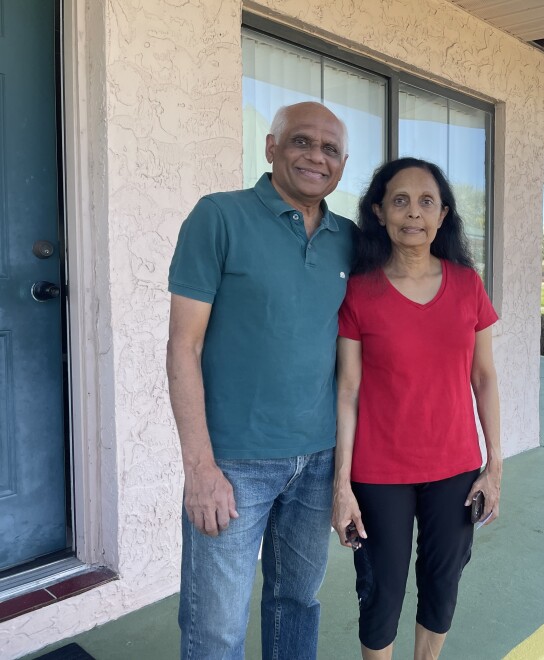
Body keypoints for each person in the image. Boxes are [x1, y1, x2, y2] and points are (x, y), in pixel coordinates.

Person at [166, 101, 355, 660]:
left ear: (343, 163)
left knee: (297, 606)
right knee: (216, 627)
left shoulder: (350, 239)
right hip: (233, 464)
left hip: (319, 460)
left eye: (330, 149)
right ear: (271, 147)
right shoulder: (218, 217)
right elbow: (183, 345)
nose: (315, 156)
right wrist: (199, 468)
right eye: (301, 141)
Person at [331, 157, 502, 659]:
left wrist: (494, 469)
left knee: (442, 582)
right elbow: (347, 390)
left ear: (443, 214)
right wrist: (342, 486)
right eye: (399, 201)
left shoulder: (468, 284)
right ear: (379, 212)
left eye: (426, 201)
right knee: (381, 591)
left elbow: (485, 377)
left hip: (455, 466)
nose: (413, 213)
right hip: (379, 471)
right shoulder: (359, 292)